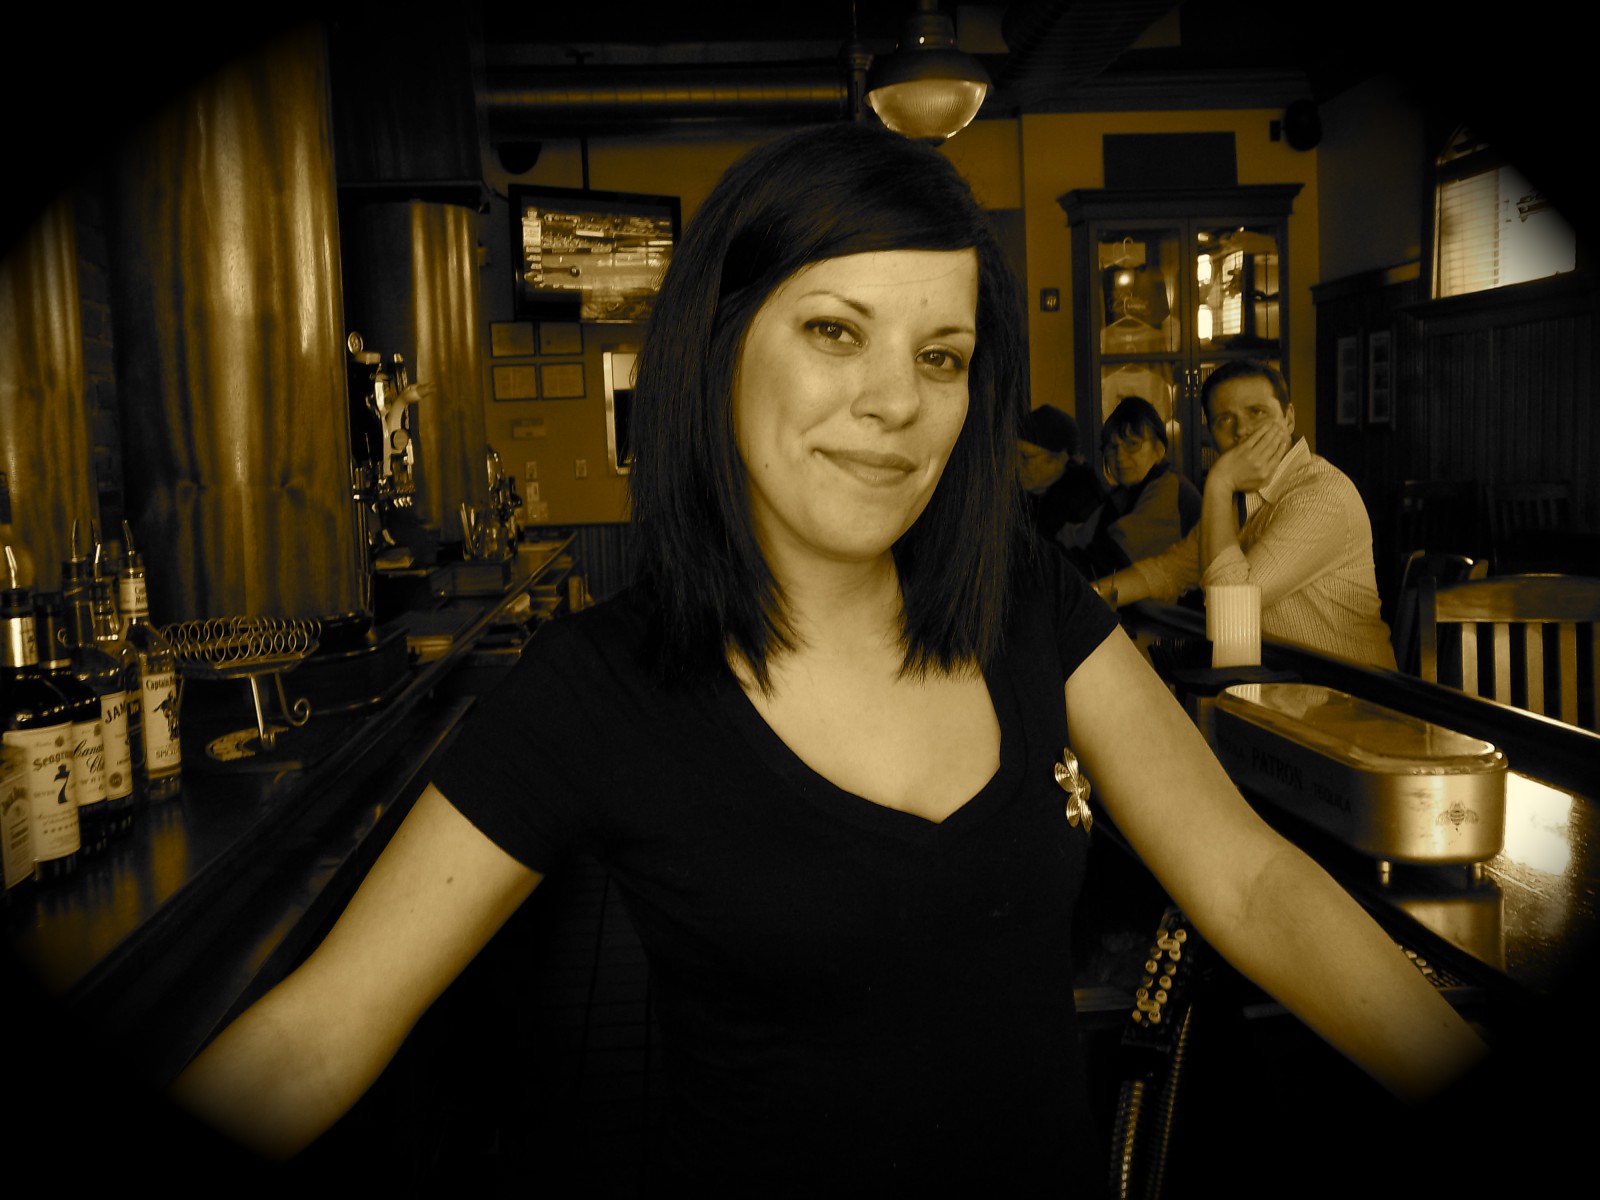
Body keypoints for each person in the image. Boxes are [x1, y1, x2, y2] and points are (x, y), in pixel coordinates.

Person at [167, 125, 1481, 1189]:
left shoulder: (1018, 595)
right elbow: (325, 1024)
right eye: (835, 332)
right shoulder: (599, 684)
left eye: (941, 356)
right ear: (722, 344)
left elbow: (1249, 881)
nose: (896, 401)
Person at [1090, 360, 1399, 670]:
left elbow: (1232, 608)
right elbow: (1171, 569)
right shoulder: (1242, 498)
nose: (1241, 431)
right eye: (1225, 419)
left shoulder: (1321, 495)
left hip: (1346, 691)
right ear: (1211, 433)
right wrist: (1090, 596)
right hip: (1274, 682)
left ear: (1289, 418)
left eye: (1257, 412)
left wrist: (1220, 482)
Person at [1070, 394, 1201, 577]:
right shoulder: (1122, 494)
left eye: (1132, 444)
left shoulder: (1168, 487)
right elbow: (1077, 538)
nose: (1120, 456)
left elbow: (1116, 558)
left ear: (1159, 449)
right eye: (1112, 447)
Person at [1017, 402, 1104, 546]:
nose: (1016, 464)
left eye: (1026, 457)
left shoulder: (1086, 507)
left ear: (1061, 458)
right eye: (1013, 455)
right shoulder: (1016, 497)